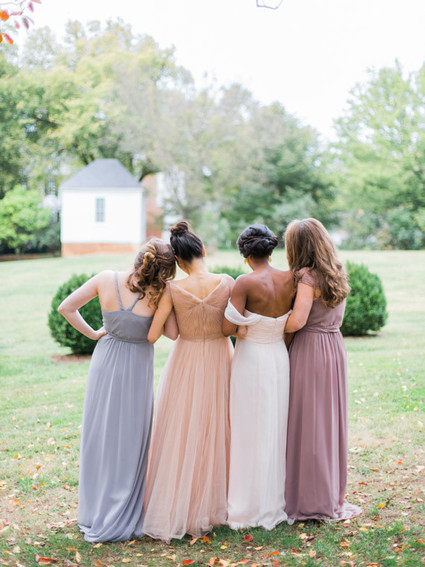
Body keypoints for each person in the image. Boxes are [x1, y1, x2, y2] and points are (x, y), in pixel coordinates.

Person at [57, 239, 177, 542]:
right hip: (137, 367)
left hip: (105, 360)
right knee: (131, 437)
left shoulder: (105, 278)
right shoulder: (160, 294)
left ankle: (94, 510)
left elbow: (66, 307)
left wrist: (93, 333)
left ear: (139, 257)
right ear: (163, 271)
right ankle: (123, 506)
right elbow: (170, 333)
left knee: (100, 434)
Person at [142, 221, 234, 542]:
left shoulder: (173, 289)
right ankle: (220, 502)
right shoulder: (227, 282)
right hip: (221, 357)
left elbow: (160, 334)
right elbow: (233, 325)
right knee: (219, 425)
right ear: (203, 250)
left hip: (186, 360)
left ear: (179, 261)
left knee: (184, 429)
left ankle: (183, 502)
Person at [284, 218, 362, 521]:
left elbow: (297, 321)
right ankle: (329, 491)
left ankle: (311, 497)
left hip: (311, 348)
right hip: (333, 346)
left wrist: (266, 326)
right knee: (327, 421)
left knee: (310, 422)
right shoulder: (336, 272)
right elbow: (339, 320)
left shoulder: (307, 277)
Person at [222, 224, 295, 530]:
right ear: (270, 250)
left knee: (247, 428)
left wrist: (242, 327)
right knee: (274, 427)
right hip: (279, 356)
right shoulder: (291, 278)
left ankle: (246, 503)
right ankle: (271, 500)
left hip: (251, 358)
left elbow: (227, 327)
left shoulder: (244, 282)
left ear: (246, 254)